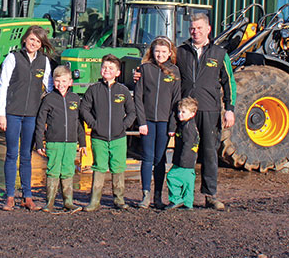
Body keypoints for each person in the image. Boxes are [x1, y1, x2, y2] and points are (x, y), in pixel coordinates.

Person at [176, 13, 236, 210]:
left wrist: (230, 109)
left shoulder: (219, 53)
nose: (195, 31)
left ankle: (210, 195)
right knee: (184, 152)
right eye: (192, 28)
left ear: (208, 29)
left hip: (210, 110)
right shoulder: (181, 51)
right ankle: (182, 196)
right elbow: (166, 71)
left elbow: (229, 83)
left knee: (210, 153)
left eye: (199, 28)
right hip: (186, 112)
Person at [0, 25, 54, 211]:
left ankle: (27, 197)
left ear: (41, 44)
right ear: (25, 40)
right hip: (13, 113)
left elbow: (50, 87)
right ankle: (10, 196)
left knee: (27, 156)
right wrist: (1, 114)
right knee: (12, 154)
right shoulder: (13, 58)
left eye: (38, 41)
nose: (34, 43)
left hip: (32, 116)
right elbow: (3, 85)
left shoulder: (44, 62)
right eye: (31, 39)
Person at [79, 54, 145, 211]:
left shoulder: (122, 91)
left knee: (118, 167)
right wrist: (94, 124)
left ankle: (119, 199)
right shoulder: (93, 90)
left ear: (118, 72)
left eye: (111, 68)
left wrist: (124, 126)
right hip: (99, 137)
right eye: (104, 67)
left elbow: (132, 112)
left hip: (118, 137)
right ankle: (94, 201)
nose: (106, 70)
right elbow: (84, 109)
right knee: (99, 167)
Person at [133, 36, 181, 209]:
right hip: (148, 121)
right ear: (152, 52)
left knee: (160, 159)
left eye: (163, 52)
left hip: (164, 122)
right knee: (147, 158)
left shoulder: (174, 71)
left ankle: (158, 196)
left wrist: (172, 125)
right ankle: (145, 195)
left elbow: (177, 99)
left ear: (170, 53)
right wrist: (141, 121)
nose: (160, 55)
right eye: (157, 51)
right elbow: (138, 97)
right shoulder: (145, 69)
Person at [34, 65, 85, 213]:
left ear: (70, 82)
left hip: (70, 142)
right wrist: (39, 143)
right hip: (53, 142)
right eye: (57, 81)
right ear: (53, 82)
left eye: (64, 81)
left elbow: (79, 122)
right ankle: (49, 203)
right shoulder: (48, 99)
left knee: (68, 170)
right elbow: (40, 122)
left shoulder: (75, 99)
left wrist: (82, 142)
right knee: (53, 170)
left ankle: (68, 202)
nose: (60, 84)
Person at [165, 97, 200, 210]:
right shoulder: (187, 125)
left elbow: (188, 145)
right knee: (188, 183)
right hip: (190, 161)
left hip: (185, 160)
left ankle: (176, 199)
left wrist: (182, 160)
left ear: (192, 113)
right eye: (179, 111)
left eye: (184, 112)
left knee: (171, 176)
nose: (180, 114)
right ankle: (188, 203)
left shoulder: (188, 128)